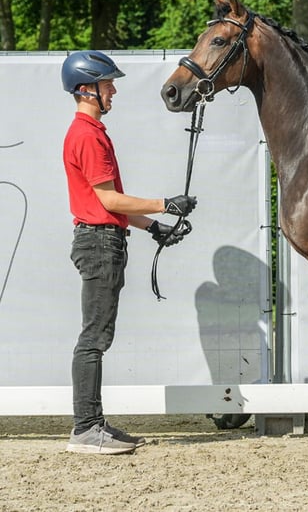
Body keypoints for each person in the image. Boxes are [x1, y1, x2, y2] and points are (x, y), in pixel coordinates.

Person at [61, 50, 197, 454]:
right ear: (87, 90)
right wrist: (164, 205)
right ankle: (86, 429)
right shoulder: (87, 135)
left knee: (97, 336)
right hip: (100, 244)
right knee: (94, 338)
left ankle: (92, 423)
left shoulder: (91, 132)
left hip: (104, 239)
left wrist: (155, 228)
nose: (114, 90)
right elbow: (111, 201)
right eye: (108, 84)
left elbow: (109, 204)